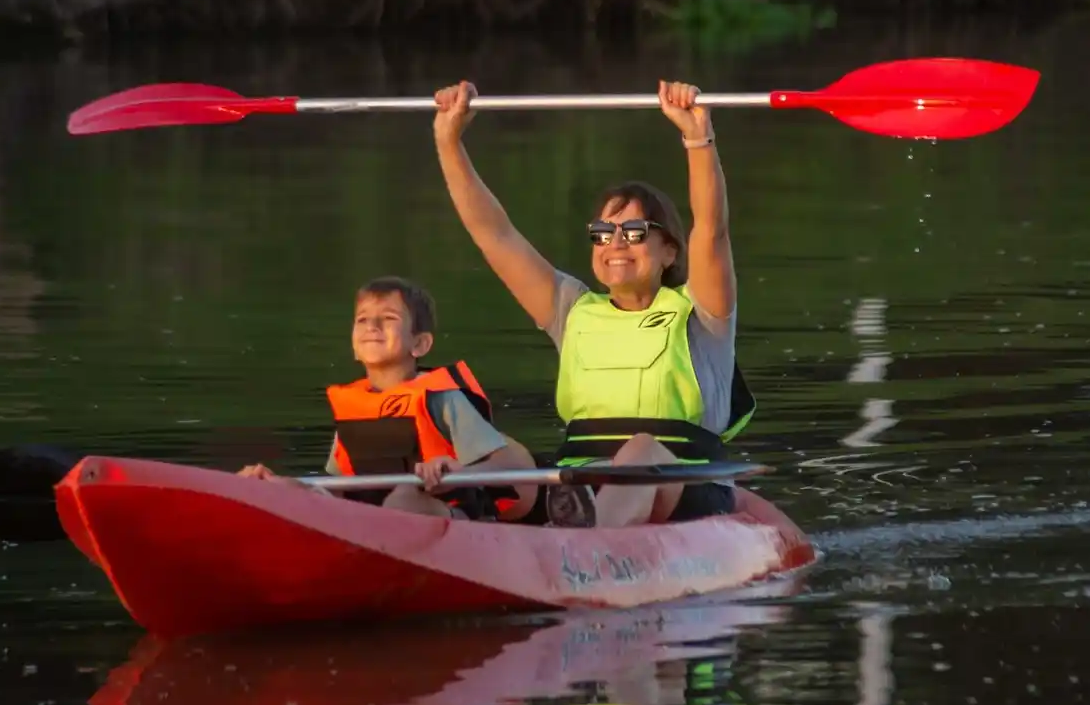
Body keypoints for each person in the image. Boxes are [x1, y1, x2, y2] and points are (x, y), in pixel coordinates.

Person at [431, 79, 756, 529]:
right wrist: (449, 142)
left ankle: (583, 542)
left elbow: (712, 228)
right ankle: (452, 529)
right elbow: (495, 235)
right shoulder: (570, 307)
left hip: (685, 486)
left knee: (641, 448)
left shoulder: (703, 311)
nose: (615, 244)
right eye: (602, 233)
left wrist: (697, 136)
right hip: (579, 481)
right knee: (501, 451)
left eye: (635, 232)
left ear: (670, 251)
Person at [238, 275, 538, 520]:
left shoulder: (442, 398)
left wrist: (459, 470)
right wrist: (276, 486)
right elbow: (337, 489)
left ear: (419, 344)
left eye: (389, 318)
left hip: (453, 515)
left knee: (404, 498)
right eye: (363, 319)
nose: (372, 326)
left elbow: (507, 466)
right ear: (354, 347)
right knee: (297, 492)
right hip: (375, 518)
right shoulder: (353, 408)